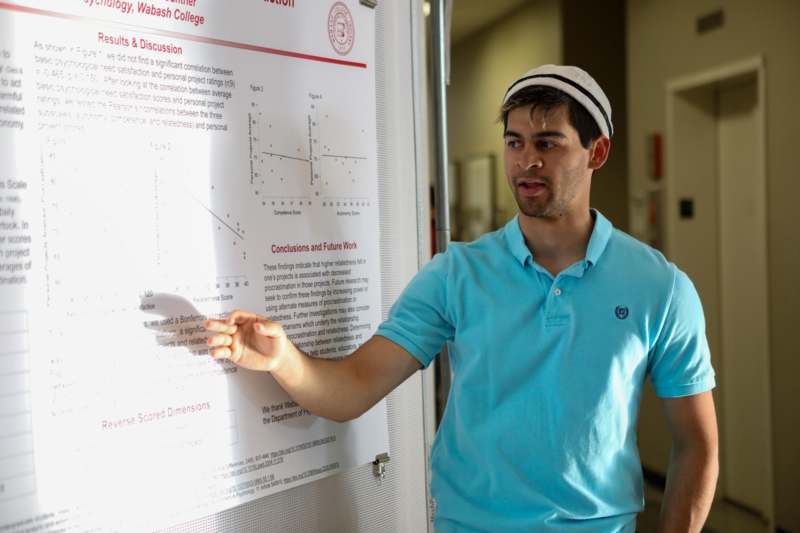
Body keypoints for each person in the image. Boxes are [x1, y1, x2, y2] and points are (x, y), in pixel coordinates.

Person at [205, 64, 718, 532]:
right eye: (515, 143)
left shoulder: (661, 287)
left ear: (597, 152)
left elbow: (696, 444)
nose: (527, 162)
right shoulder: (457, 274)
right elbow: (353, 388)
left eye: (549, 143)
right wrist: (283, 359)